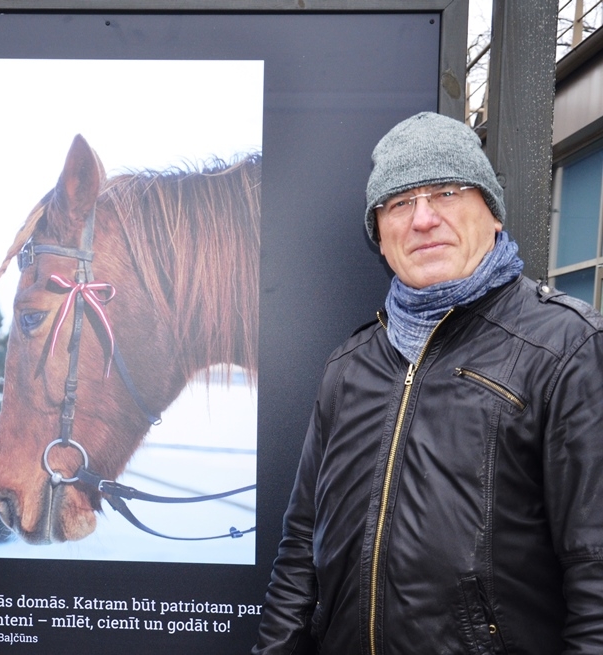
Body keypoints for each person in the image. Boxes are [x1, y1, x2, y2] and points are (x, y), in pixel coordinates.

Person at [253, 112, 603, 654]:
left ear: (491, 213)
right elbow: (301, 547)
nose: (422, 219)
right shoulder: (350, 366)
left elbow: (595, 568)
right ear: (381, 235)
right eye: (399, 203)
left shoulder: (567, 348)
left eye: (446, 191)